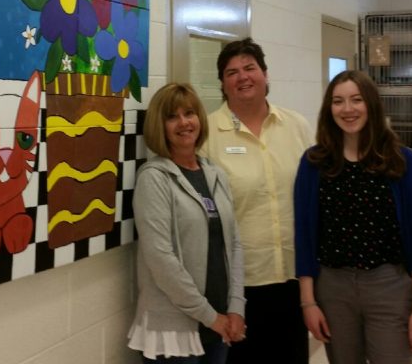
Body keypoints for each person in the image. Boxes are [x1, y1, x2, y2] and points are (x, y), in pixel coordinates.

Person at [294, 70, 412, 364]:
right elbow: (304, 236)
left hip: (388, 286)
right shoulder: (313, 163)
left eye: (356, 100)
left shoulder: (401, 161)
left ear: (371, 104)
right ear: (329, 109)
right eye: (338, 101)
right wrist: (308, 302)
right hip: (333, 288)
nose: (347, 109)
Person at [199, 38, 312, 364]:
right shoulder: (208, 134)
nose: (242, 76)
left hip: (293, 277)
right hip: (239, 286)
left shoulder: (296, 126)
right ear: (222, 84)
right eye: (231, 72)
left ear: (265, 74)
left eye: (250, 67)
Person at [128, 83, 246, 363]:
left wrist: (236, 308)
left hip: (220, 322)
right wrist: (210, 316)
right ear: (161, 125)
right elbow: (160, 259)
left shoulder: (214, 174)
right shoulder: (154, 178)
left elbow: (234, 245)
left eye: (189, 113)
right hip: (175, 330)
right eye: (172, 116)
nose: (184, 122)